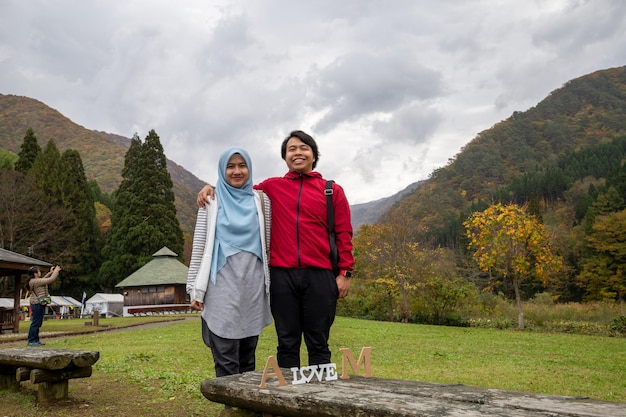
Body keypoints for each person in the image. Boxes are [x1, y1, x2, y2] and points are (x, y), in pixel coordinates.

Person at [197, 130, 354, 369]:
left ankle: (320, 398)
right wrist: (211, 188)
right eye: (292, 149)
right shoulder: (271, 187)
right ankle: (287, 402)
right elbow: (238, 190)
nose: (298, 152)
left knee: (319, 341)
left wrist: (345, 273)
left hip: (320, 275)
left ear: (314, 155)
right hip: (281, 275)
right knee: (287, 342)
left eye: (304, 148)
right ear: (285, 157)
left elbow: (344, 234)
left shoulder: (331, 191)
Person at [186, 147, 272, 385]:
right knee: (225, 356)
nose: (237, 171)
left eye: (242, 165)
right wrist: (194, 288)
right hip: (221, 287)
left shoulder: (261, 201)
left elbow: (268, 245)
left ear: (250, 169)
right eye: (230, 166)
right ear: (222, 170)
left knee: (248, 356)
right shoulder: (210, 200)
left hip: (253, 287)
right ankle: (230, 407)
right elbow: (200, 245)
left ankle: (246, 406)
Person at [27, 265, 61, 346]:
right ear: (35, 274)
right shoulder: (34, 281)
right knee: (35, 323)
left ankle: (36, 340)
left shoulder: (35, 281)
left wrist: (50, 273)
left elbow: (43, 280)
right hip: (37, 303)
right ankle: (31, 340)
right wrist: (56, 272)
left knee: (38, 323)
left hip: (40, 303)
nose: (40, 272)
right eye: (38, 271)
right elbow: (50, 280)